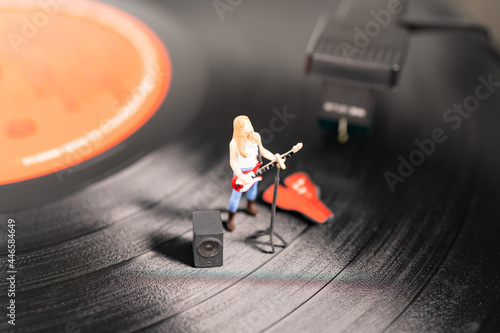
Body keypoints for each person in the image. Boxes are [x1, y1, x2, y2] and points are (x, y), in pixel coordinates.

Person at [227, 115, 285, 231]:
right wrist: (242, 177)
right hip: (241, 173)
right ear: (238, 129)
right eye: (244, 127)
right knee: (236, 196)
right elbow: (233, 163)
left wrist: (275, 158)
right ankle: (230, 219)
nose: (248, 129)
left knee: (253, 189)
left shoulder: (255, 136)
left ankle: (250, 206)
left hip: (254, 169)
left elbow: (262, 151)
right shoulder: (234, 143)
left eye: (248, 125)